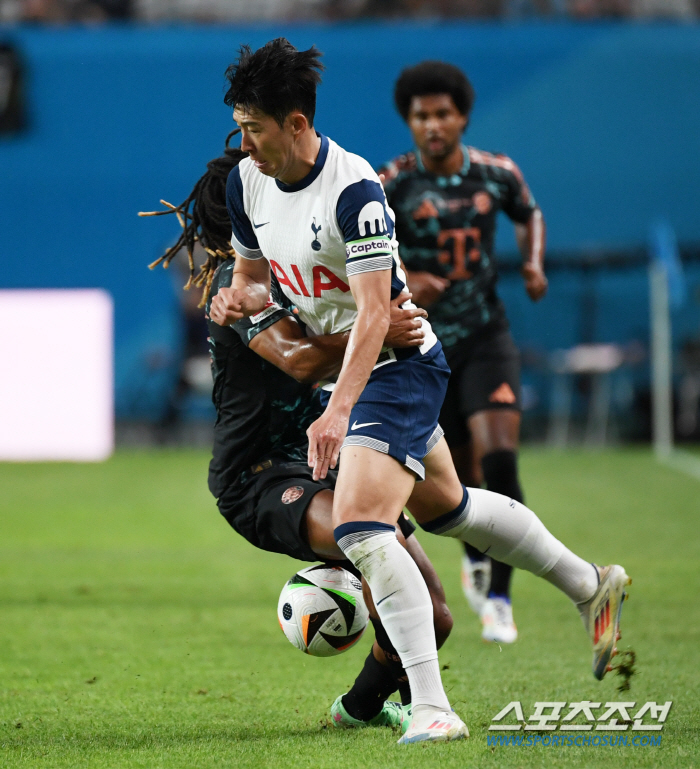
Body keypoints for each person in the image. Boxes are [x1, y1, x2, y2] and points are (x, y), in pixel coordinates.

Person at [209, 38, 630, 744]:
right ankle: (592, 585)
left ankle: (433, 706)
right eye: (241, 127)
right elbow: (253, 280)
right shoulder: (244, 184)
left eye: (255, 128)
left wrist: (336, 411)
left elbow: (378, 314)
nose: (245, 144)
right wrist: (233, 297)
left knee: (362, 526)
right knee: (450, 507)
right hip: (361, 368)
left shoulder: (355, 191)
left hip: (399, 362)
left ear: (298, 124)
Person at [142, 134, 452, 735]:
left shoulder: (297, 270)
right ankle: (419, 706)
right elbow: (304, 362)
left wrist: (379, 307)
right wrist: (382, 325)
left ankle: (359, 709)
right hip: (257, 477)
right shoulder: (230, 294)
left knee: (434, 613)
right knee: (390, 565)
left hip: (324, 455)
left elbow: (361, 296)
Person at [378, 60, 546, 644]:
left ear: (462, 116)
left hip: (486, 336)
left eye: (442, 114)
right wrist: (410, 274)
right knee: (460, 476)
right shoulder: (392, 183)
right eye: (421, 115)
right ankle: (476, 553)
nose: (432, 125)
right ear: (409, 121)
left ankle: (499, 598)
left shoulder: (496, 174)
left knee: (500, 458)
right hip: (425, 346)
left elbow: (529, 214)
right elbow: (367, 253)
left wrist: (531, 262)